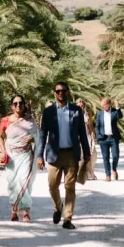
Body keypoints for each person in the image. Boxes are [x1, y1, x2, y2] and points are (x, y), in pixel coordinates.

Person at [36, 81, 91, 230]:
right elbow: (43, 135)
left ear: (68, 92)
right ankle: (58, 206)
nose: (61, 93)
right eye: (58, 91)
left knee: (70, 187)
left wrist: (87, 152)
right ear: (54, 93)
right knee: (52, 185)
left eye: (64, 91)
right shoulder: (48, 112)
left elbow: (82, 133)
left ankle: (67, 218)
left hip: (71, 154)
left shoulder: (76, 110)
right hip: (54, 155)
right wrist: (39, 156)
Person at [0, 94, 39, 221]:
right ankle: (14, 209)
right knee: (12, 183)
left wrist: (33, 138)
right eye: (15, 103)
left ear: (24, 105)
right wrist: (3, 151)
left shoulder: (30, 121)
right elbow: (1, 137)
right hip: (11, 155)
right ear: (12, 106)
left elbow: (38, 135)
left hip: (26, 155)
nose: (18, 105)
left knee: (23, 180)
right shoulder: (5, 120)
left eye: (20, 103)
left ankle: (25, 211)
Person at [96, 98, 123, 181]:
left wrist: (118, 107)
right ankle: (108, 175)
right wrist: (98, 136)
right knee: (105, 157)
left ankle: (114, 169)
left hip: (113, 138)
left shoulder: (114, 111)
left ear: (109, 104)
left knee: (116, 155)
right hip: (103, 139)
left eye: (104, 105)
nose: (103, 106)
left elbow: (120, 116)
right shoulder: (99, 113)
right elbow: (97, 126)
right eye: (102, 105)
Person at [76, 98, 98, 180]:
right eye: (79, 105)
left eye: (82, 105)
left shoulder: (88, 113)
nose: (81, 107)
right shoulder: (73, 113)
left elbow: (91, 125)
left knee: (92, 154)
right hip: (78, 136)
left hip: (87, 135)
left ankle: (90, 172)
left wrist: (92, 134)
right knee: (80, 155)